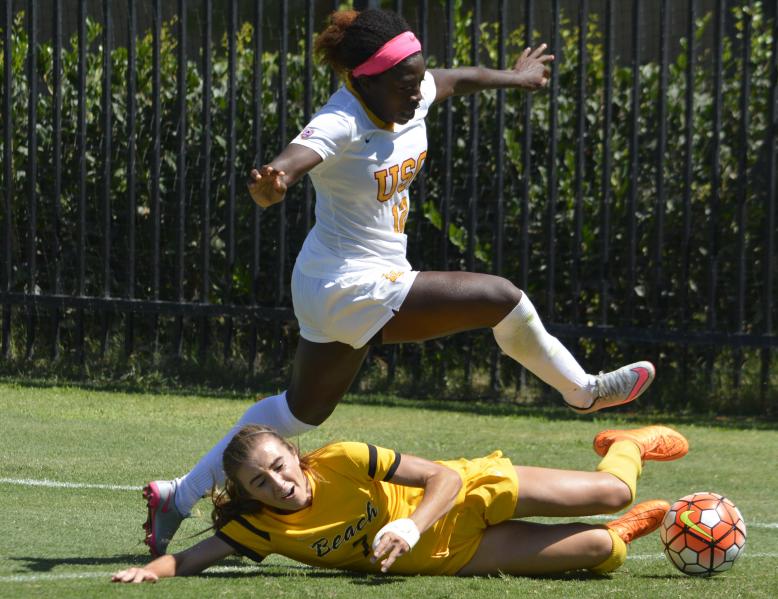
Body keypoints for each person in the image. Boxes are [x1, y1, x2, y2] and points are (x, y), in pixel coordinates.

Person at [142, 8, 656, 556]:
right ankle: (582, 391)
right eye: (405, 82)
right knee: (500, 297)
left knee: (297, 413)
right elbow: (292, 161)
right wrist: (273, 184)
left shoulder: (410, 92)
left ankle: (179, 494)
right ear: (363, 81)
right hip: (347, 285)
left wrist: (517, 77)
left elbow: (457, 79)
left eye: (418, 77)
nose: (418, 90)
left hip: (338, 283)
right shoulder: (341, 120)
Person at [115, 424, 688, 583]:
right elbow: (191, 558)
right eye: (259, 483)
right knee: (599, 546)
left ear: (295, 454)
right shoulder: (263, 530)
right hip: (454, 556)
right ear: (246, 495)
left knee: (614, 489)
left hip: (468, 492)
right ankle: (628, 530)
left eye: (279, 466)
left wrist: (410, 525)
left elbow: (440, 476)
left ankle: (627, 444)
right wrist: (150, 569)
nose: (278, 485)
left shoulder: (342, 457)